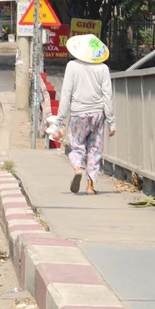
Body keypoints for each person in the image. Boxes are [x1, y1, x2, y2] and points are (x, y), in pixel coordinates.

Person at [56, 34, 115, 195]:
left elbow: (66, 93)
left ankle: (77, 168)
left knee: (77, 146)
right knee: (95, 150)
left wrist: (60, 119)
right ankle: (90, 187)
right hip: (97, 114)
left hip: (78, 115)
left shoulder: (72, 66)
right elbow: (107, 96)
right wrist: (112, 122)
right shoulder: (103, 68)